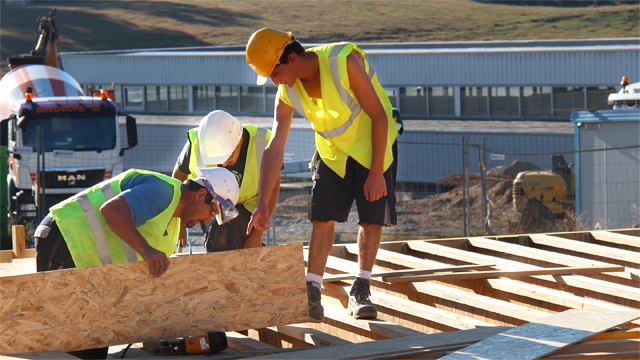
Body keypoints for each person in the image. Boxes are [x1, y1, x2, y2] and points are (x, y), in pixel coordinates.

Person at [245, 28, 399, 321]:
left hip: (373, 146)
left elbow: (379, 116)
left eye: (273, 73)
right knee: (321, 216)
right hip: (334, 152)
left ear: (291, 59)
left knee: (371, 217)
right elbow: (274, 149)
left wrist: (376, 172)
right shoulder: (286, 93)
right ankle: (312, 290)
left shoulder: (344, 62)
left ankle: (361, 289)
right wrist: (262, 202)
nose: (273, 82)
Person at [34, 167, 239, 359]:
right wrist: (147, 251)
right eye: (212, 212)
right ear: (201, 195)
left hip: (80, 254)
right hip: (64, 238)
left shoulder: (173, 216)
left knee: (92, 346)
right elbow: (112, 211)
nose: (207, 220)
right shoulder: (162, 192)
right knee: (74, 343)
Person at [172, 110, 279, 252]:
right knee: (218, 237)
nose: (224, 165)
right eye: (218, 160)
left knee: (235, 240)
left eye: (228, 158)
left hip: (250, 205)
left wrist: (256, 236)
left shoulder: (262, 142)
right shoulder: (198, 143)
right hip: (212, 204)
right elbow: (178, 179)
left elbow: (273, 187)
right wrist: (179, 223)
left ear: (239, 140)